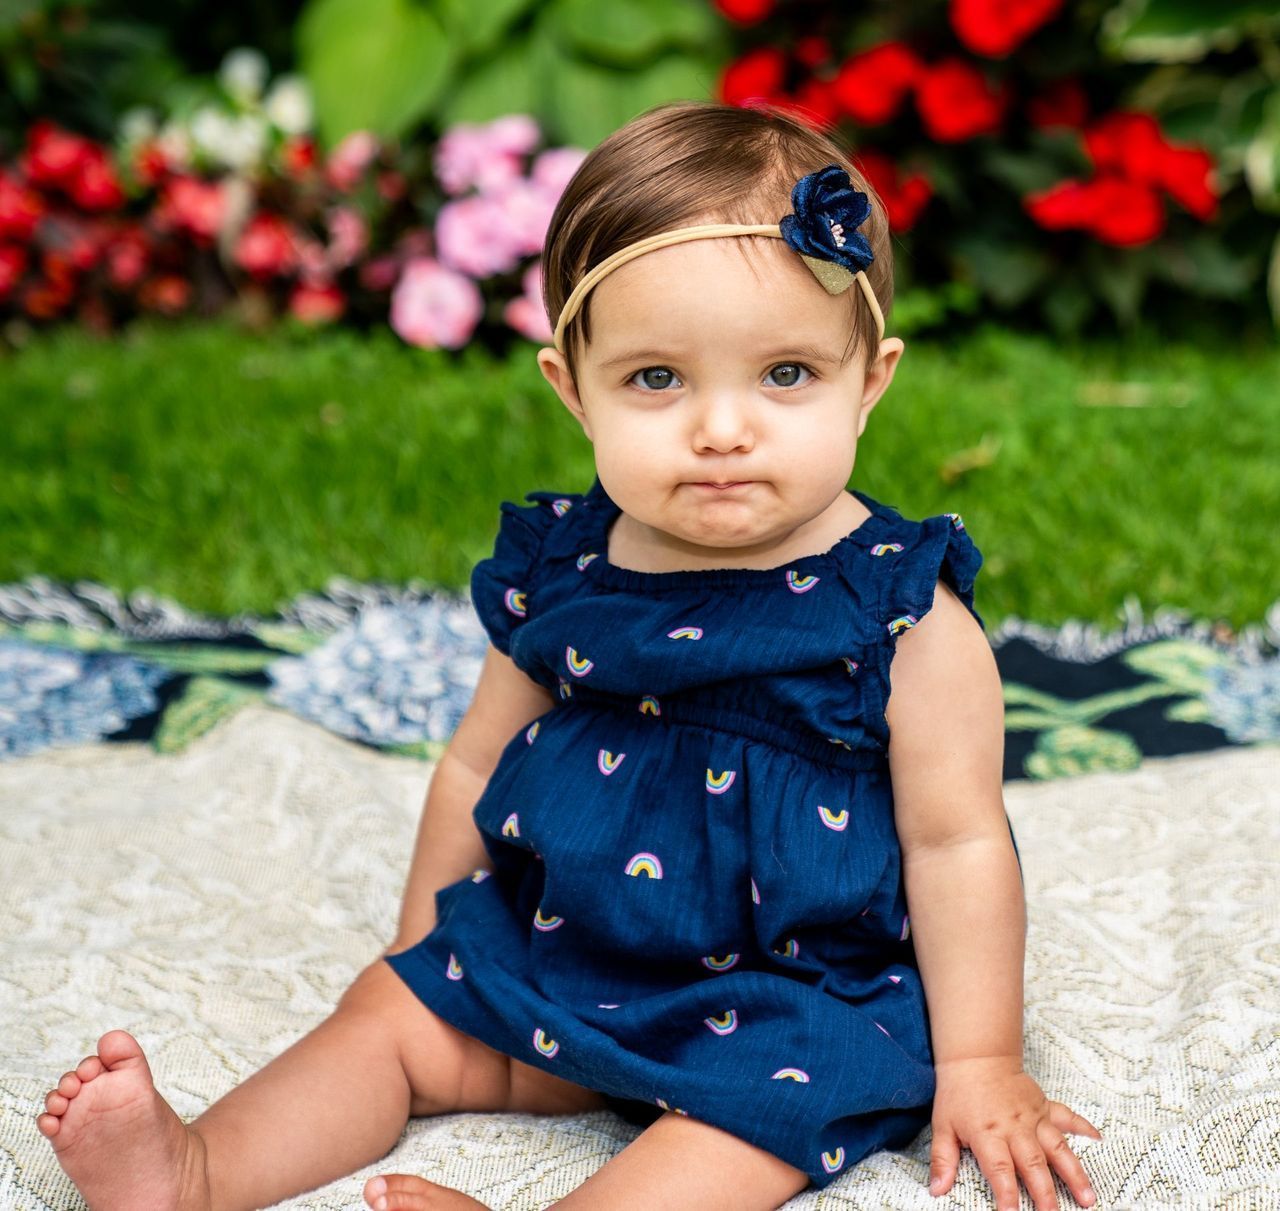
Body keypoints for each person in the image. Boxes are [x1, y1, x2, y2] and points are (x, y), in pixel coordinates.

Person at [36, 99, 1103, 1211]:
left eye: (784, 374)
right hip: (569, 943)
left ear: (868, 379)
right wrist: (428, 954)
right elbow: (471, 761)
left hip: (795, 988)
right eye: (656, 379)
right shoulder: (564, 566)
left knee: (756, 1121)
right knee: (388, 1021)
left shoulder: (898, 614)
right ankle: (193, 1169)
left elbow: (957, 840)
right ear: (571, 388)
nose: (722, 428)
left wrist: (979, 1062)